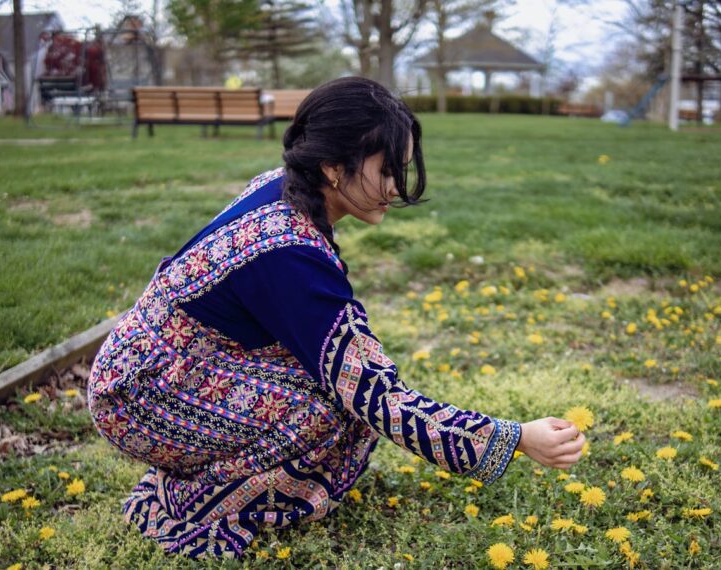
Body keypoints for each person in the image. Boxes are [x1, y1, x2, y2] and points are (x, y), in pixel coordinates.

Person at [87, 76, 585, 559]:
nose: (397, 185)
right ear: (332, 167)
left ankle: (198, 475)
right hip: (138, 395)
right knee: (338, 409)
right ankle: (191, 508)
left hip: (150, 367)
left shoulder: (284, 191)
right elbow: (379, 397)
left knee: (334, 381)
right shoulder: (288, 253)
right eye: (387, 169)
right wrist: (514, 438)